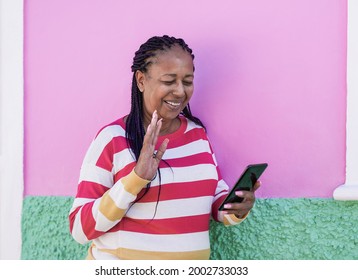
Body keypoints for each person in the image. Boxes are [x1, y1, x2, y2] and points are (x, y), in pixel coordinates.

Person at [68, 35, 260, 260]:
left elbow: (212, 199)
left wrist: (237, 207)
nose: (180, 91)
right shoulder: (113, 139)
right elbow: (80, 229)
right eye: (169, 81)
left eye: (187, 81)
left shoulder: (197, 134)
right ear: (141, 80)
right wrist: (135, 180)